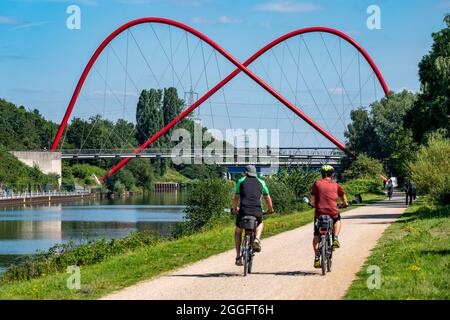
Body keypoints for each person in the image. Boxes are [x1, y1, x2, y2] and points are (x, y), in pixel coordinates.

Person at [232, 165, 274, 266]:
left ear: (246, 172)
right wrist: (270, 209)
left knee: (238, 231)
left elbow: (236, 197)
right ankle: (256, 239)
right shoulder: (261, 182)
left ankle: (238, 256)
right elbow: (267, 198)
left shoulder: (241, 181)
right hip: (257, 211)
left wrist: (235, 208)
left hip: (243, 211)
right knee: (260, 222)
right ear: (255, 173)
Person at [310, 165, 348, 269]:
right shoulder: (336, 185)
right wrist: (345, 203)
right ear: (332, 174)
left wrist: (313, 204)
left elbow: (312, 199)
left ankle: (317, 257)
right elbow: (343, 196)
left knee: (316, 235)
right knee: (337, 219)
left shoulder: (317, 183)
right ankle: (335, 238)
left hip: (319, 213)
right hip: (332, 212)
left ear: (322, 174)